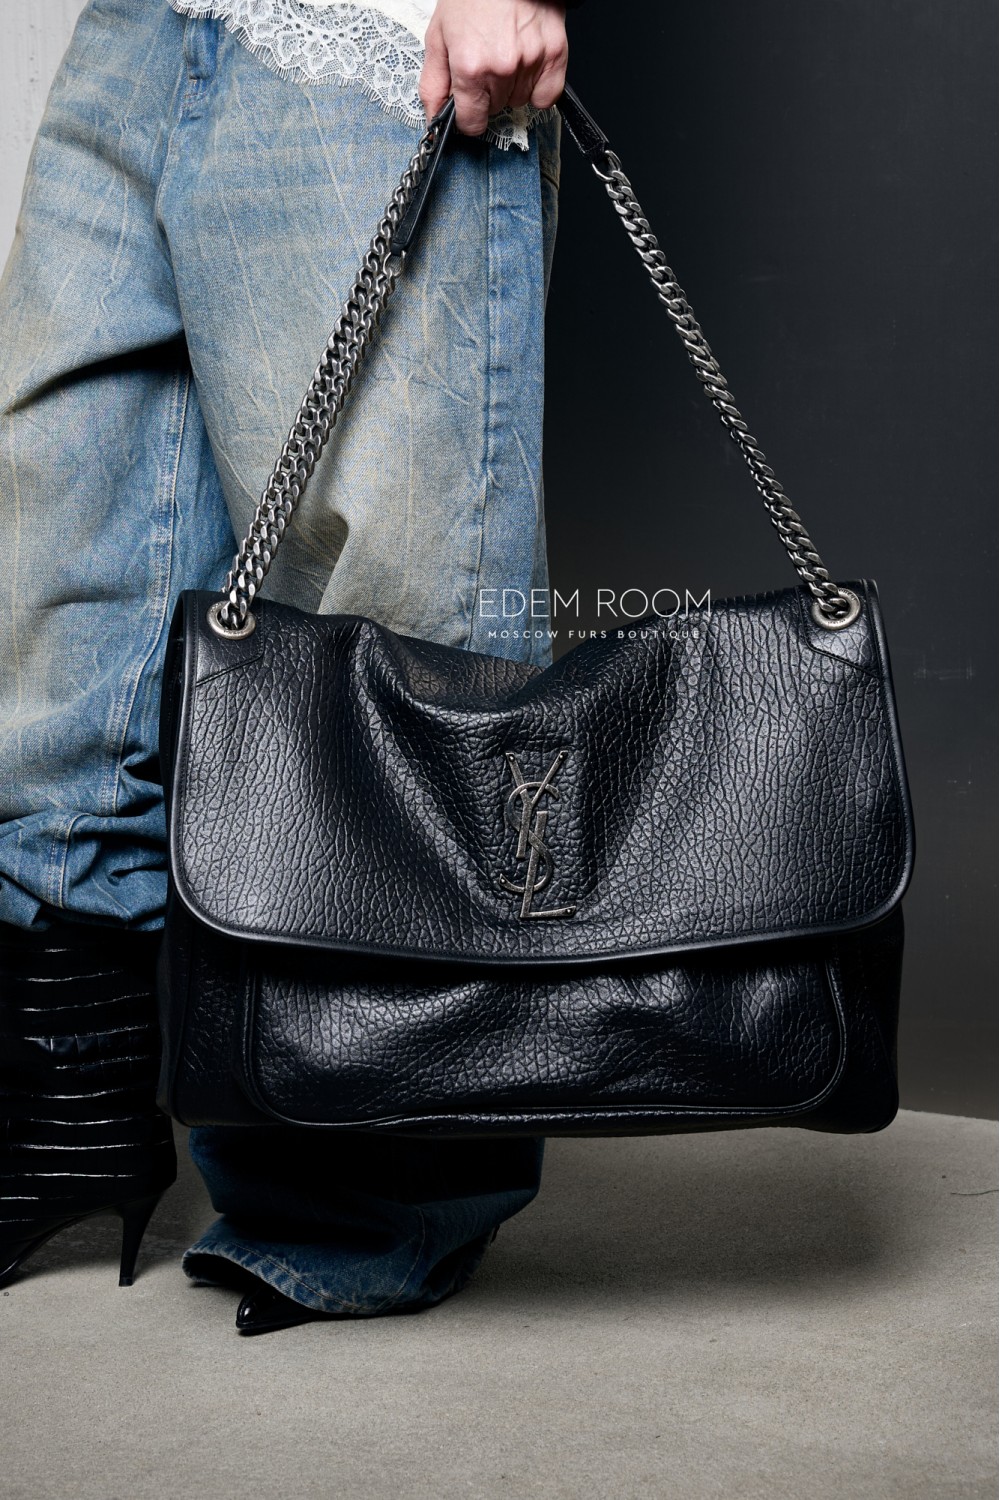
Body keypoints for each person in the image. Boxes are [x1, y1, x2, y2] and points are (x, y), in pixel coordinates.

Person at [0, 0, 571, 1334]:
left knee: (394, 601)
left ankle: (370, 1191)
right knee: (75, 553)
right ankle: (66, 1107)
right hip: (145, 22)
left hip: (384, 28)